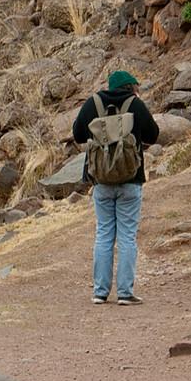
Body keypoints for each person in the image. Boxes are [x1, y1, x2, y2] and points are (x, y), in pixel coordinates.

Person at [72, 69, 159, 306]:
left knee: (103, 234)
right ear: (132, 87)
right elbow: (153, 135)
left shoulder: (94, 103)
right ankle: (125, 293)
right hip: (130, 180)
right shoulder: (135, 104)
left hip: (101, 180)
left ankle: (100, 292)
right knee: (127, 236)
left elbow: (78, 135)